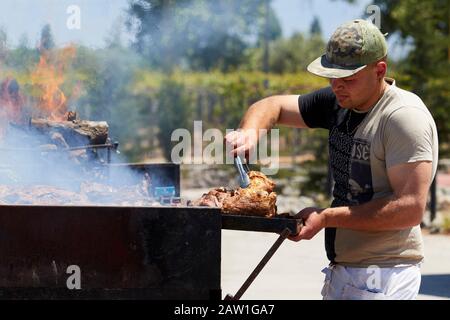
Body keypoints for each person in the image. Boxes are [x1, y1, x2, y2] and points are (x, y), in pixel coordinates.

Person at [225, 19, 438, 300]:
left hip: (383, 277)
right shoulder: (340, 101)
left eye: (348, 78)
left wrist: (325, 218)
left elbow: (409, 209)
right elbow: (270, 105)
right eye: (332, 76)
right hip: (345, 270)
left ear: (380, 70)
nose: (337, 86)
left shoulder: (402, 118)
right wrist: (249, 133)